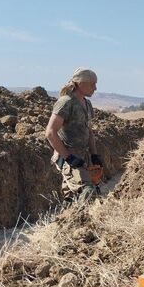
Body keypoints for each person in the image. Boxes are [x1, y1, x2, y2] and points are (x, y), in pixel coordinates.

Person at [45, 68, 103, 202]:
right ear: (80, 83)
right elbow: (50, 132)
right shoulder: (66, 102)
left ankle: (71, 219)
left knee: (72, 198)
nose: (95, 88)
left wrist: (94, 156)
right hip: (69, 158)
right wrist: (69, 158)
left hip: (84, 157)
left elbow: (89, 132)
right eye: (92, 84)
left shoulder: (87, 104)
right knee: (87, 192)